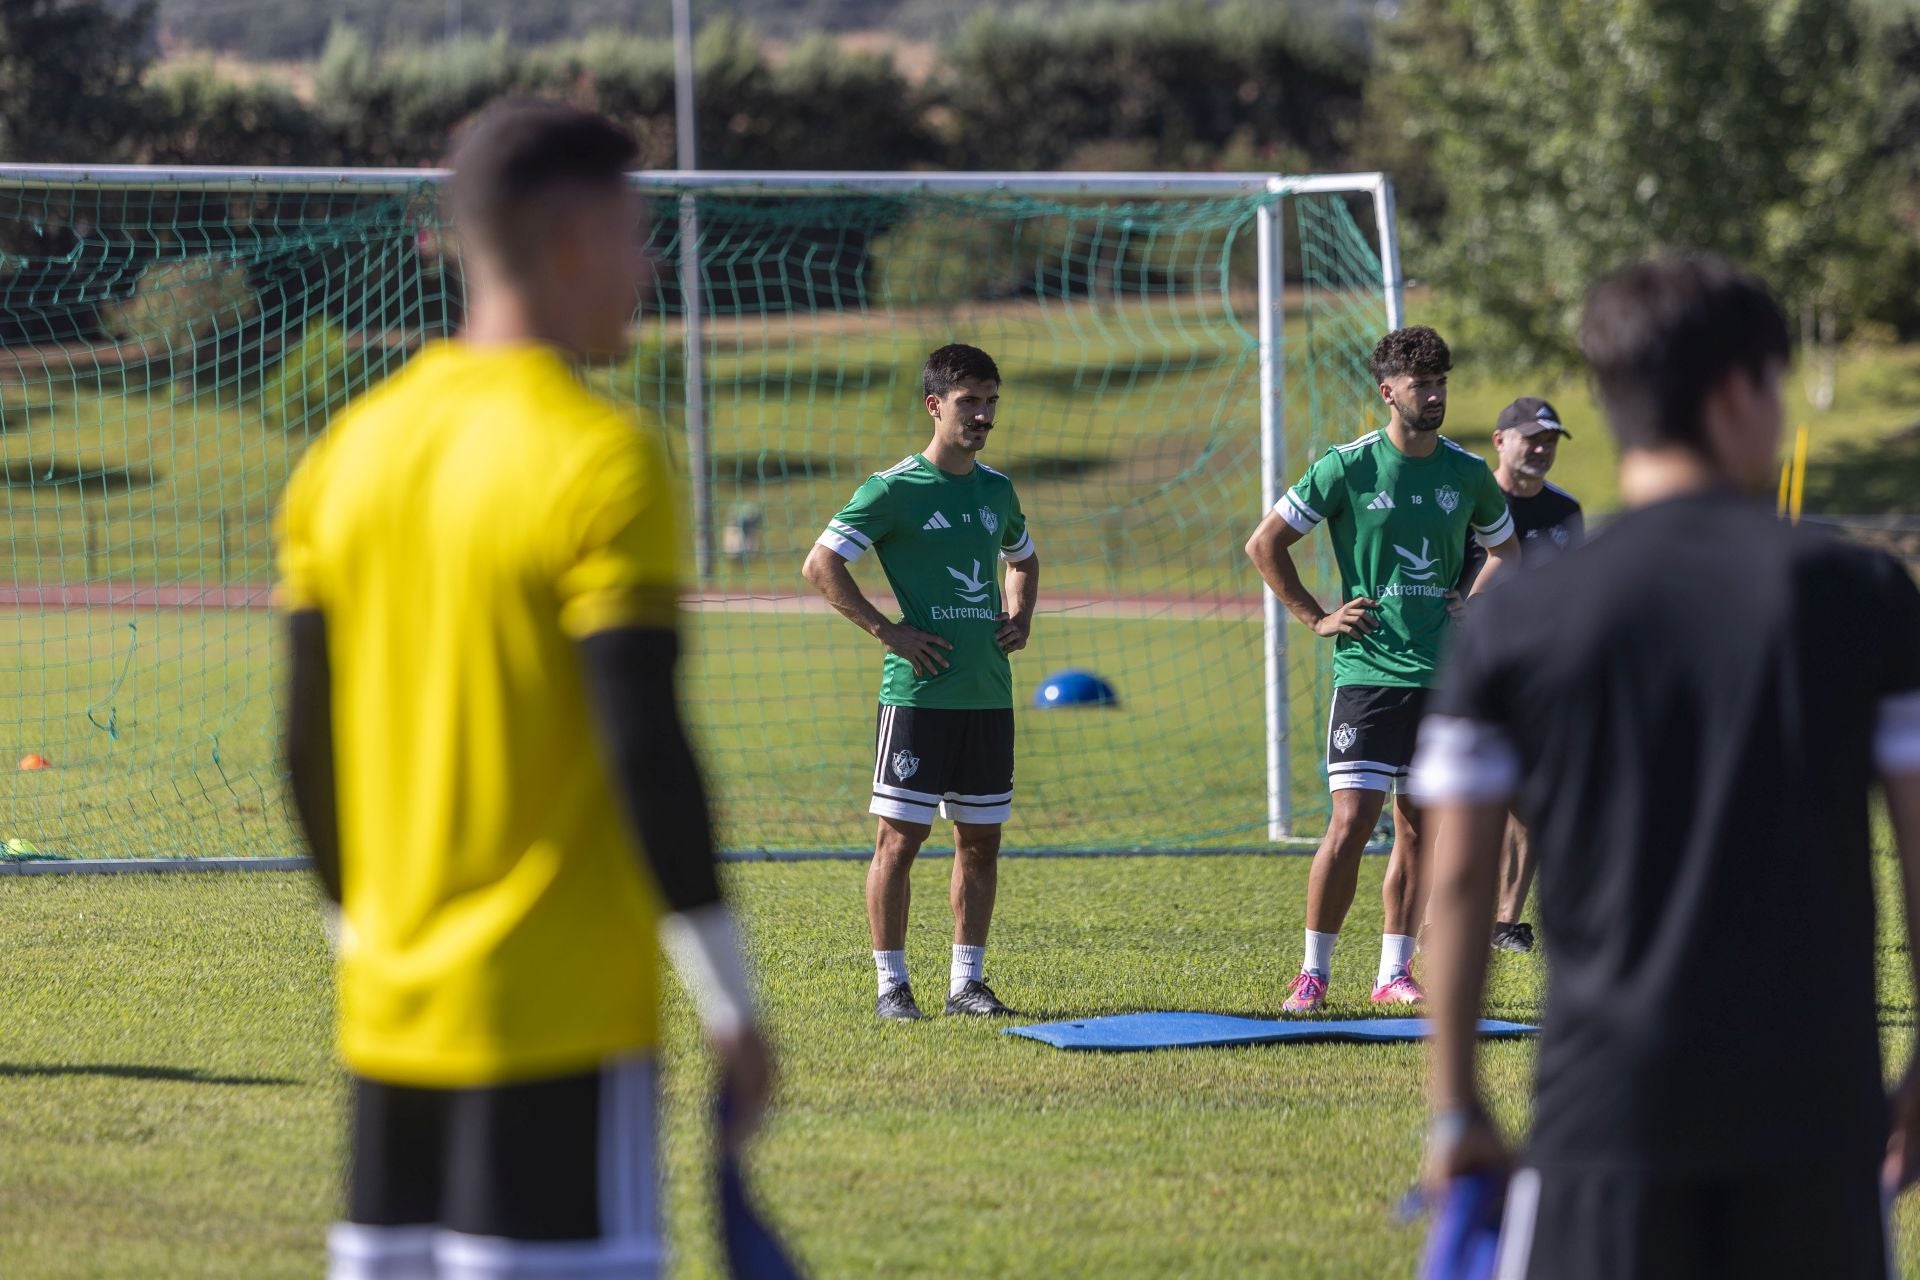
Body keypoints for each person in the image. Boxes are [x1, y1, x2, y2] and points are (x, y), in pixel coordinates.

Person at [280, 101, 772, 1280]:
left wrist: (370, 936)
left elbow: (304, 747)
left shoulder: (347, 451)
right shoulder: (601, 455)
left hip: (390, 1017)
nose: (649, 266)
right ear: (567, 240)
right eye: (635, 233)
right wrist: (730, 998)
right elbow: (642, 741)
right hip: (556, 1023)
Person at [1415, 252, 1920, 1279]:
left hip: (1603, 1115)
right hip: (1813, 1116)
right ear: (1741, 391)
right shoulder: (1858, 593)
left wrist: (1455, 1101)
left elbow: (1459, 879)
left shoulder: (1518, 615)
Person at [1245, 325, 1519, 1013]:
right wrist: (1316, 617)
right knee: (1351, 821)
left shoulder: (1465, 473)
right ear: (1387, 391)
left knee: (1422, 825)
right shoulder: (1346, 466)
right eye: (1421, 384)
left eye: (1440, 383)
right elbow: (1265, 543)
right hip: (1367, 672)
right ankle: (1313, 971)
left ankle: (1394, 969)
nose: (1434, 395)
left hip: (1442, 679)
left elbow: (1507, 552)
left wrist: (1472, 602)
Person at [801, 343, 1039, 1021]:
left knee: (980, 841)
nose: (984, 414)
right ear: (935, 405)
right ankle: (891, 987)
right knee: (899, 841)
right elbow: (821, 564)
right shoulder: (892, 489)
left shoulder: (997, 489)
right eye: (970, 401)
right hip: (920, 697)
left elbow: (1022, 557)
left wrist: (1020, 614)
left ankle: (967, 984)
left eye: (992, 401)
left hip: (987, 696)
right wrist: (889, 631)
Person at [1455, 397, 1585, 954]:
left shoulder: (1565, 512)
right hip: (1463, 669)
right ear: (1500, 440)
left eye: (1550, 439)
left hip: (1536, 677)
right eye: (1531, 437)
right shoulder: (1467, 502)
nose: (1541, 448)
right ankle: (1443, 918)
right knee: (1448, 797)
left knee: (1530, 800)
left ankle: (1507, 921)